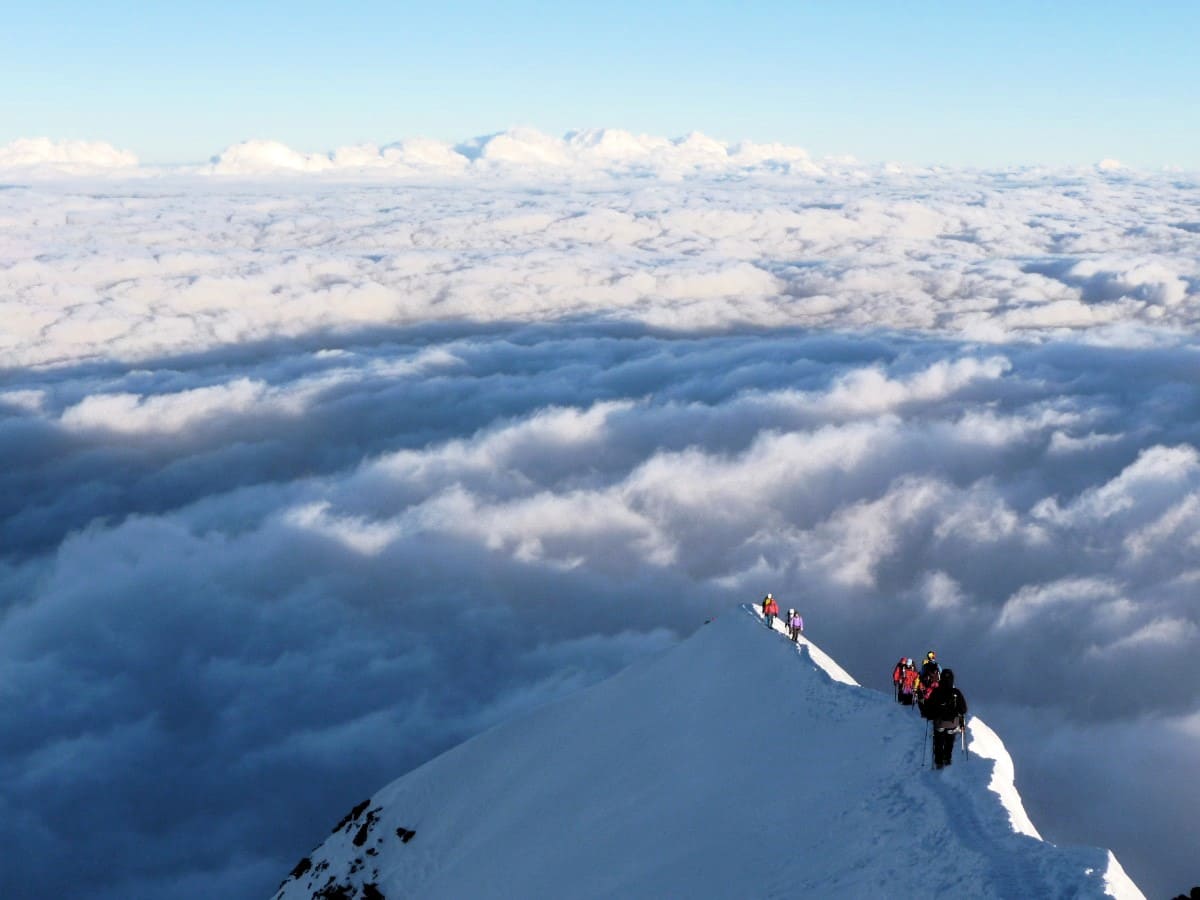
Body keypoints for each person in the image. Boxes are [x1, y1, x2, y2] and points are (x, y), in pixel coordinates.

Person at [924, 668, 968, 769]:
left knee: (938, 742)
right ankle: (947, 759)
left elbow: (928, 708)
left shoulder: (936, 692)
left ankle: (938, 762)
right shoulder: (956, 692)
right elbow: (964, 709)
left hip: (939, 723)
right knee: (949, 742)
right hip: (952, 723)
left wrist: (930, 715)